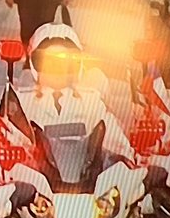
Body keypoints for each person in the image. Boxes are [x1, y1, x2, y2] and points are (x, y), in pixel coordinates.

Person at [14, 23, 134, 163]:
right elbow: (9, 145)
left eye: (64, 62)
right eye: (50, 61)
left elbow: (118, 145)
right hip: (38, 181)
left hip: (90, 179)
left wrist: (125, 161)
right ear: (36, 64)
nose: (57, 69)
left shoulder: (92, 102)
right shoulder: (20, 103)